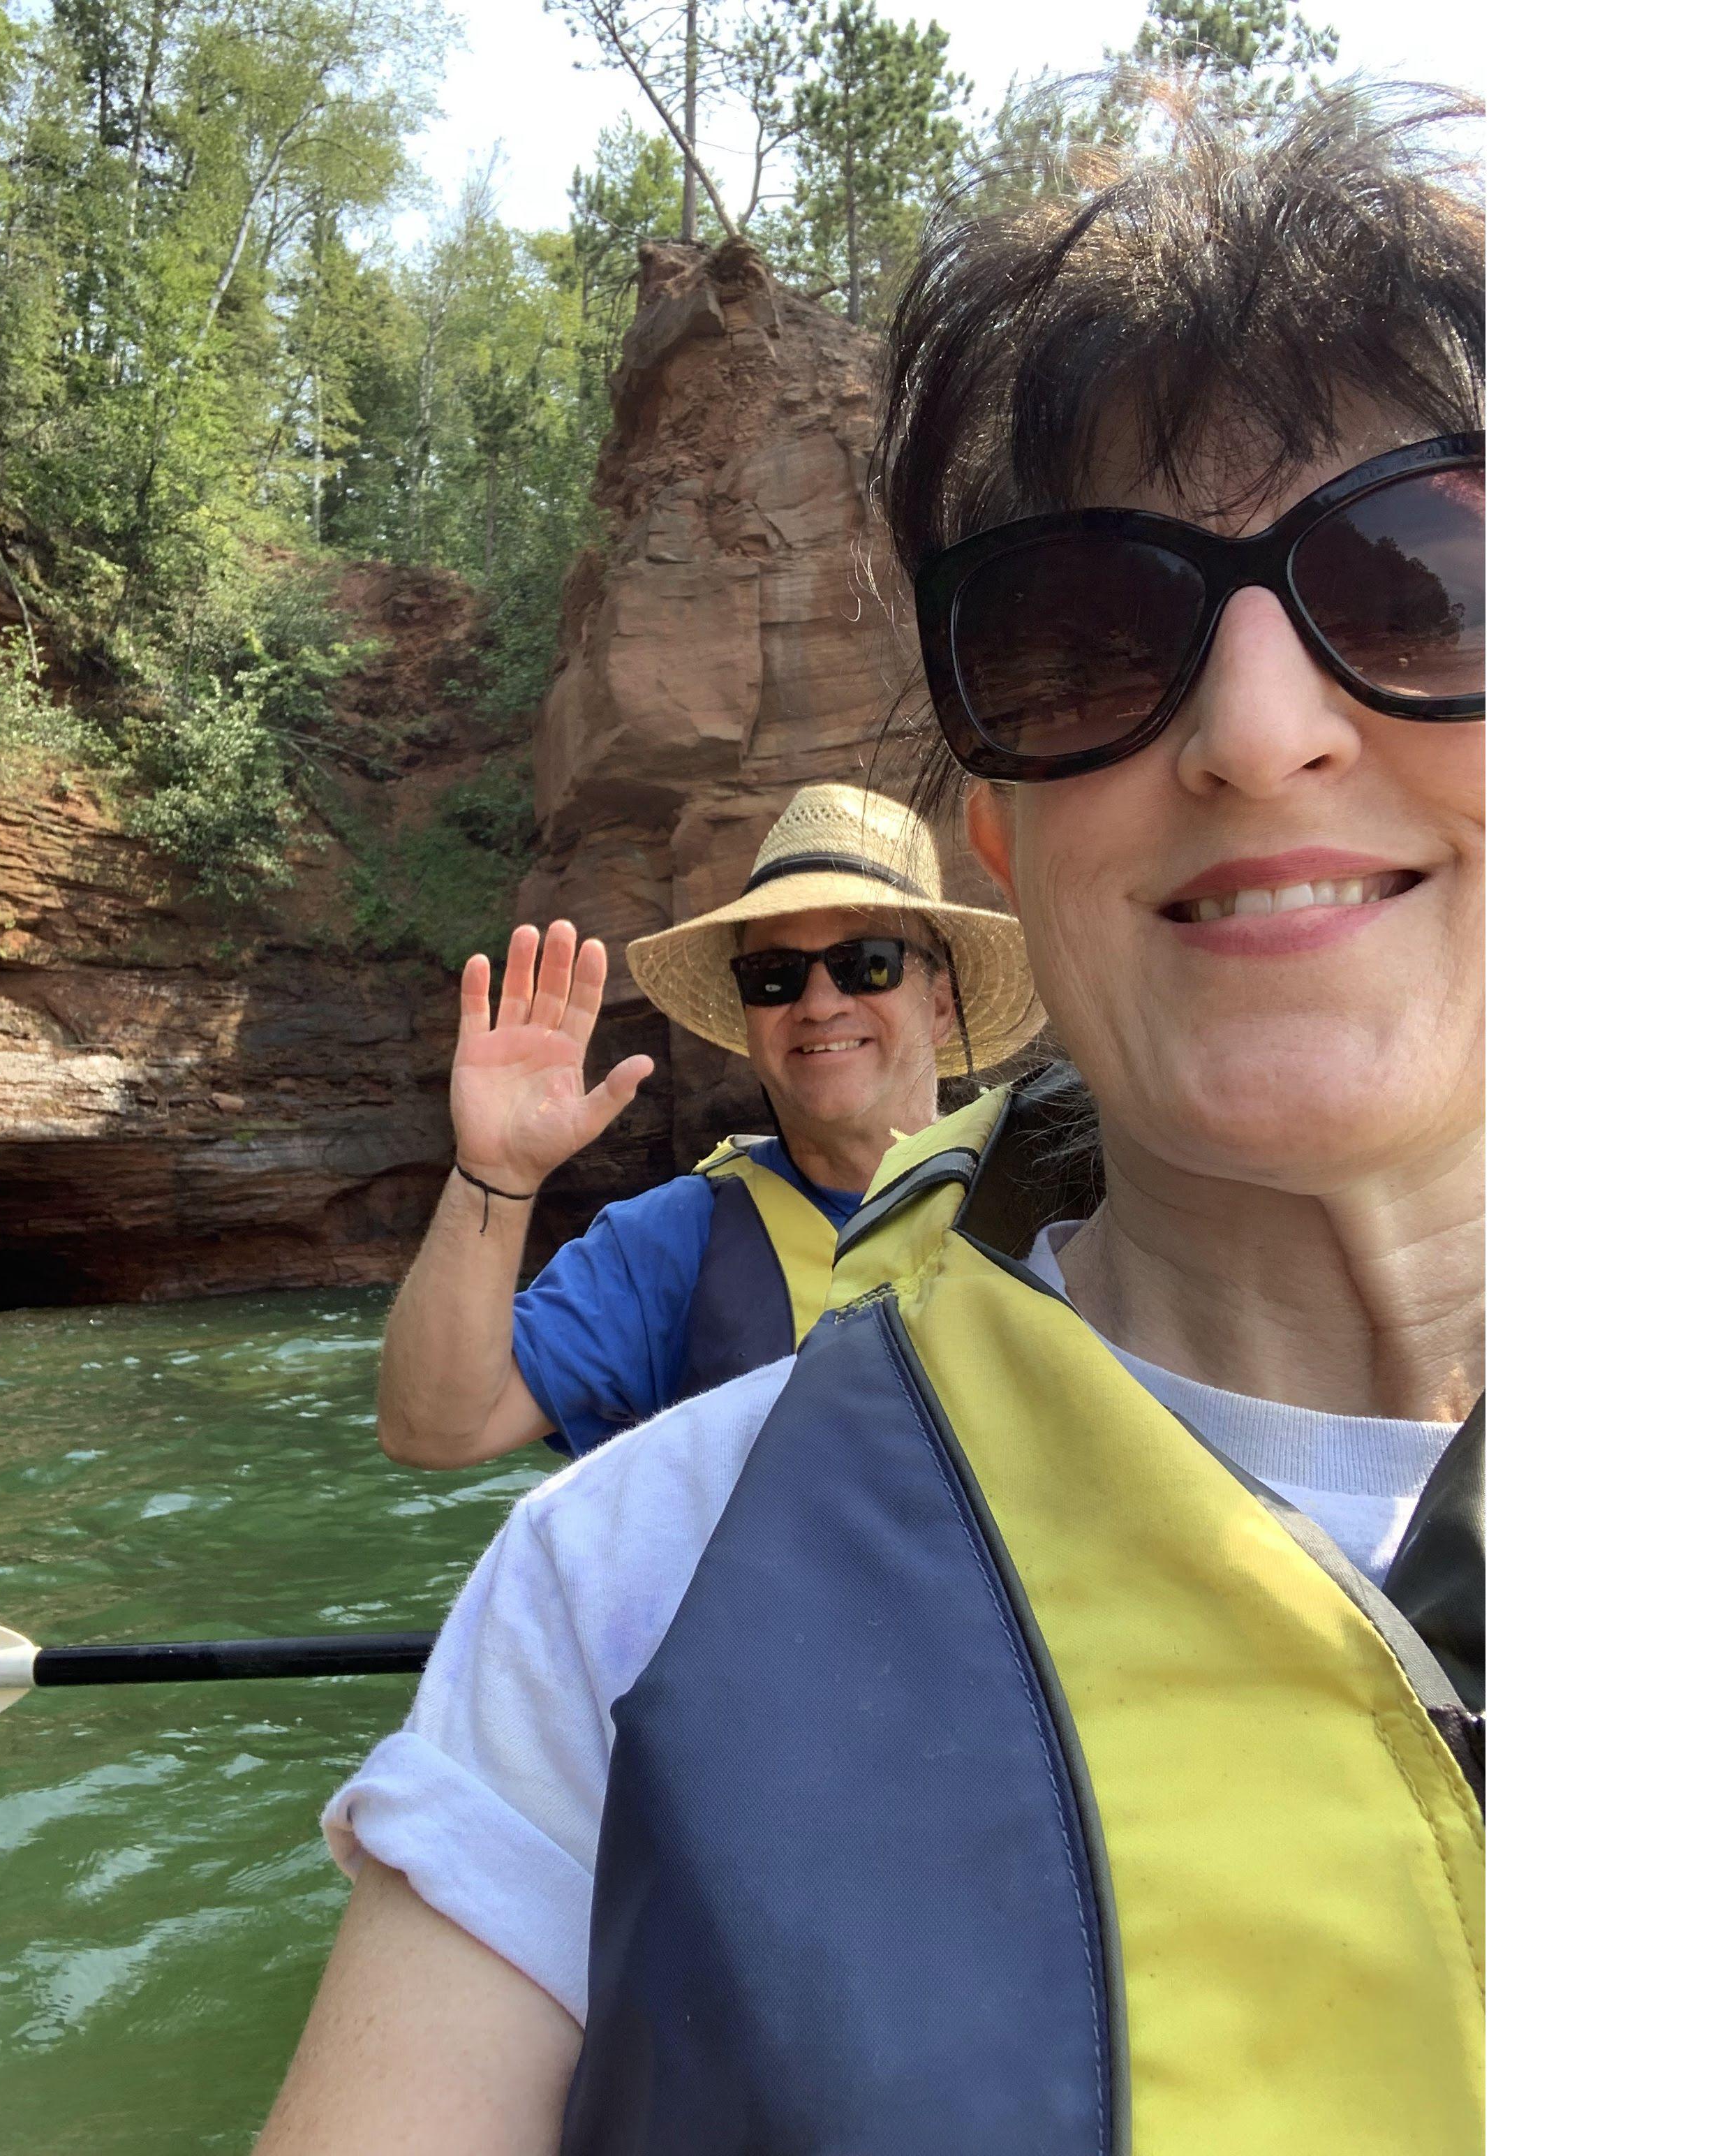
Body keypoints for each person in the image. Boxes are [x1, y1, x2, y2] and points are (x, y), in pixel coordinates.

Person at [260, 82, 1485, 2154]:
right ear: (1010, 839)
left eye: (1427, 580)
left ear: (946, 965)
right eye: (1090, 637)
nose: (1262, 737)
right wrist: (492, 1177)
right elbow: (440, 1431)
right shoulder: (643, 1490)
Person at [373, 782, 1042, 1465]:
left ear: (938, 1004)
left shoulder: (1052, 1196)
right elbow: (431, 1429)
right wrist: (493, 1173)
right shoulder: (669, 1248)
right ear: (749, 1019)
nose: (817, 1003)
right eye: (774, 975)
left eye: (866, 964)